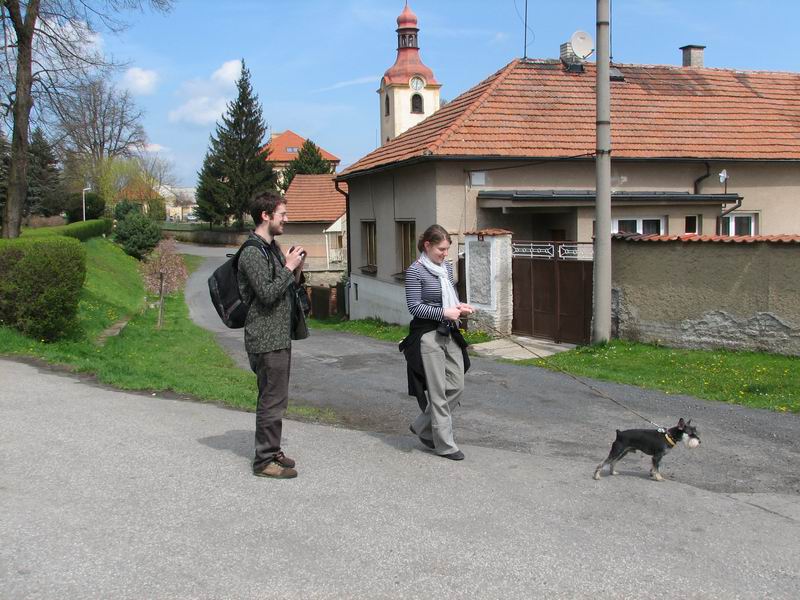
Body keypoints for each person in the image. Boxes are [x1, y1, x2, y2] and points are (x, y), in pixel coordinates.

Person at [237, 191, 306, 479]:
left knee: (276, 397)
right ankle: (264, 460)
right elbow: (266, 294)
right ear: (266, 216)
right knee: (271, 399)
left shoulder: (271, 248)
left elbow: (284, 287)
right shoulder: (252, 252)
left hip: (279, 336)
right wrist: (288, 268)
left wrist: (295, 268)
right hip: (265, 338)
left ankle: (272, 448)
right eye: (282, 215)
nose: (286, 220)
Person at [400, 224, 474, 461]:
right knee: (438, 392)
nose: (445, 254)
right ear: (427, 246)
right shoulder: (415, 271)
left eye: (447, 249)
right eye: (441, 249)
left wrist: (459, 307)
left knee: (457, 384)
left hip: (448, 330)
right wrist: (444, 312)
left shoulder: (447, 268)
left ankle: (422, 424)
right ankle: (444, 445)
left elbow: (449, 296)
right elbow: (414, 307)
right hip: (427, 335)